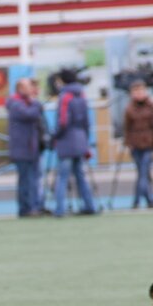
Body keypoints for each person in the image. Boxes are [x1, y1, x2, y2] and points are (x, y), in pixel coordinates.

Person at [52, 79, 98, 215]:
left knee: (63, 176)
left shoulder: (65, 97)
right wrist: (86, 142)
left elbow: (63, 122)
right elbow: (86, 122)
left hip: (67, 142)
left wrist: (56, 136)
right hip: (80, 140)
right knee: (80, 176)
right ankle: (90, 205)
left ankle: (59, 209)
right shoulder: (82, 96)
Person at [5, 76, 46, 217]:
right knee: (26, 180)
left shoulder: (24, 103)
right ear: (21, 89)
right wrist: (35, 102)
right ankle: (26, 208)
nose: (32, 90)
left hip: (31, 148)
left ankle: (34, 205)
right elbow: (32, 114)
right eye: (29, 87)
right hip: (23, 149)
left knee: (33, 179)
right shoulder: (16, 104)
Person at [122, 80, 153, 209]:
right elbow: (127, 128)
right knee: (142, 173)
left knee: (144, 172)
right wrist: (128, 142)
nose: (138, 94)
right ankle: (148, 200)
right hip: (135, 144)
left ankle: (138, 200)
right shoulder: (129, 108)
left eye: (140, 91)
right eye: (135, 91)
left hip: (148, 143)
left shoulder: (152, 106)